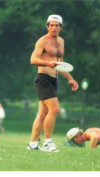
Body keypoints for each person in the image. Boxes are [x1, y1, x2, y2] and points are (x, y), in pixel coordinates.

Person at [27, 14, 79, 152]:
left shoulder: (61, 42)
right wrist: (48, 63)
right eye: (51, 25)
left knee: (43, 113)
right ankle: (47, 142)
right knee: (54, 109)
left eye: (57, 25)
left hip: (53, 80)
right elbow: (33, 59)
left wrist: (70, 79)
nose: (54, 28)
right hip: (42, 78)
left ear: (61, 27)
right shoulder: (42, 41)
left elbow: (60, 63)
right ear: (47, 26)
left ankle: (32, 144)